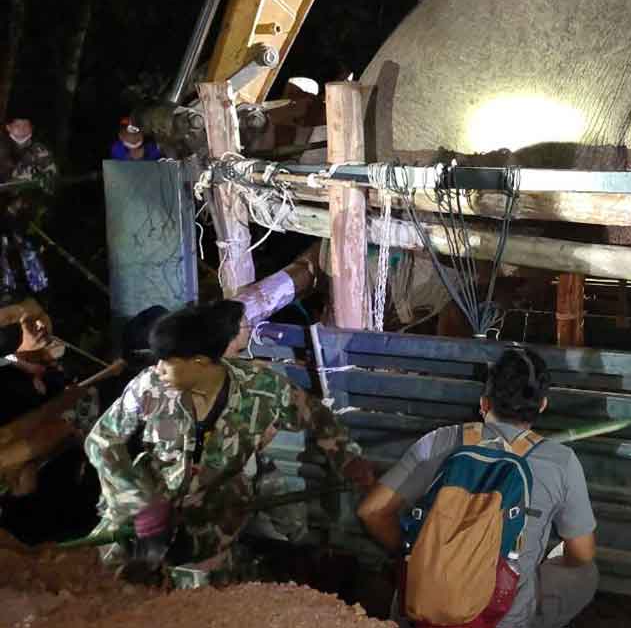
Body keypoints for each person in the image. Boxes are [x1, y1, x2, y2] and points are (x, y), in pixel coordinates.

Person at [84, 299, 376, 581]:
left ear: (199, 362)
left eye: (167, 362)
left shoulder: (262, 389)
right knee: (92, 575)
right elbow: (101, 439)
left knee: (194, 597)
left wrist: (347, 458)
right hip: (146, 507)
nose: (157, 369)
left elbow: (316, 416)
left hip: (214, 512)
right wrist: (138, 500)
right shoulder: (151, 386)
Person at [358, 347, 598, 628]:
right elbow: (582, 553)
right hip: (499, 618)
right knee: (585, 572)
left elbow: (371, 511)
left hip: (423, 609)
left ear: (484, 404)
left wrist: (417, 550)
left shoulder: (438, 442)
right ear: (542, 405)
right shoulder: (561, 462)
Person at [0, 299, 108, 542]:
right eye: (24, 322)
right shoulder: (8, 380)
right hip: (35, 518)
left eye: (41, 314)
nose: (39, 324)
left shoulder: (56, 367)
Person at [0, 116, 56, 300]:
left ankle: (38, 288)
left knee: (29, 248)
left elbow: (52, 180)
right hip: (3, 211)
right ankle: (7, 286)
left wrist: (31, 200)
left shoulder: (40, 150)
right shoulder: (2, 148)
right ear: (9, 127)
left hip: (30, 212)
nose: (22, 128)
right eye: (18, 124)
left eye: (26, 124)